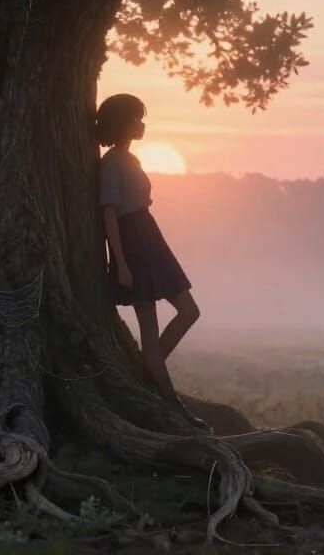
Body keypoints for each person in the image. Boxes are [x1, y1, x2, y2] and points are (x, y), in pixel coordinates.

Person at [95, 93, 208, 429]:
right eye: (137, 119)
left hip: (149, 238)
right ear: (123, 124)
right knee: (150, 327)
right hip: (134, 242)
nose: (142, 124)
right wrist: (122, 263)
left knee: (189, 311)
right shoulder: (113, 163)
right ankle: (171, 404)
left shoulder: (129, 159)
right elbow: (109, 214)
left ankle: (146, 370)